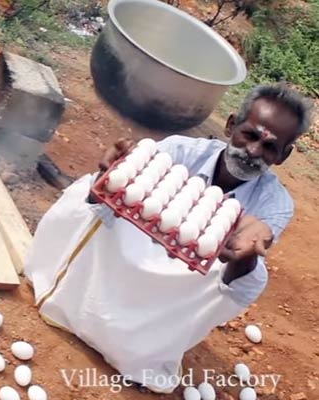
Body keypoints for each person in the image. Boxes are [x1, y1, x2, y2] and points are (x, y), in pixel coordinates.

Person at [24, 84, 313, 393]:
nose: (254, 152)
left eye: (270, 147)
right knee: (88, 190)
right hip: (128, 250)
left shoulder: (274, 206)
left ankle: (142, 348)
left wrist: (247, 257)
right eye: (250, 135)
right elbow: (112, 200)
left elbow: (234, 282)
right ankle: (70, 298)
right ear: (231, 125)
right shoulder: (179, 152)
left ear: (284, 155)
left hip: (181, 282)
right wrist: (107, 182)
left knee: (256, 276)